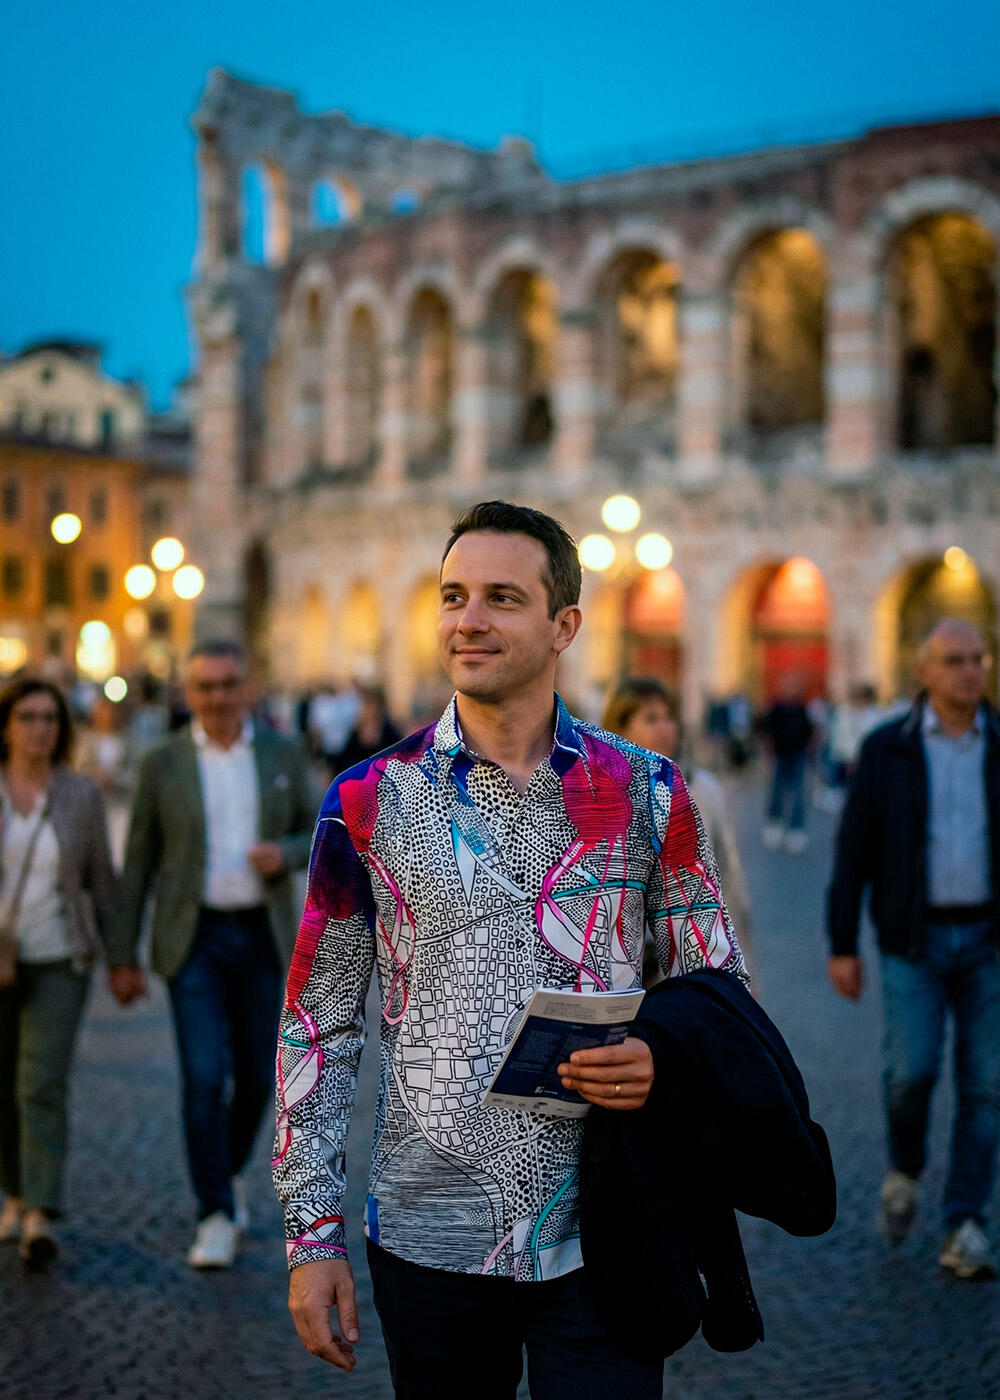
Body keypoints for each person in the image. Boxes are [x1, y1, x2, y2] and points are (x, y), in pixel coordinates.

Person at [274, 501, 747, 1399]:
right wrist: (311, 1238)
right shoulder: (367, 800)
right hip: (428, 1234)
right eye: (454, 596)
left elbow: (718, 978)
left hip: (608, 1220)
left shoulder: (647, 790)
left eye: (501, 597)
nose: (468, 620)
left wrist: (662, 1054)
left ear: (564, 624)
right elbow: (319, 1023)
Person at [109, 640, 316, 1270]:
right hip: (191, 937)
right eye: (205, 687)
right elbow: (139, 859)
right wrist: (123, 952)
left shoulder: (281, 753)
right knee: (204, 1078)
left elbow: (323, 829)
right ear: (189, 693)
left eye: (228, 685)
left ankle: (223, 1174)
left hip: (261, 935)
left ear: (247, 687)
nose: (217, 698)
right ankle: (214, 1212)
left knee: (257, 1076)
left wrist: (285, 850)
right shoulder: (162, 763)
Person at [827, 619, 1000, 1280]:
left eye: (977, 658)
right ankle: (905, 1168)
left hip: (988, 940)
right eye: (953, 660)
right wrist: (843, 943)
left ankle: (964, 1221)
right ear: (923, 672)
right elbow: (854, 851)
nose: (968, 671)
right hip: (912, 938)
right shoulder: (885, 750)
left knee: (985, 1087)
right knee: (913, 1071)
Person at [0, 678, 117, 1265]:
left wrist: (121, 959)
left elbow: (102, 881)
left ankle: (41, 1212)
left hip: (60, 959)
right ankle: (16, 1193)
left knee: (39, 1082)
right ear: (6, 725)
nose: (39, 728)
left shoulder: (81, 795)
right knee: (4, 1085)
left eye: (49, 717)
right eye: (27, 717)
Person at [601, 677, 756, 989]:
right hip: (619, 973)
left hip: (692, 965)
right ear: (619, 728)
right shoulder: (597, 795)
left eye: (669, 717)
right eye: (651, 719)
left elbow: (726, 880)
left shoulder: (700, 788)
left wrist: (744, 971)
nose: (665, 728)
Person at [759, 675, 815, 853]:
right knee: (776, 792)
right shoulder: (776, 708)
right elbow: (766, 731)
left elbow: (809, 732)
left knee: (798, 794)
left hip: (797, 755)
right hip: (780, 755)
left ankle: (795, 830)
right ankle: (774, 824)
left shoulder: (802, 709)